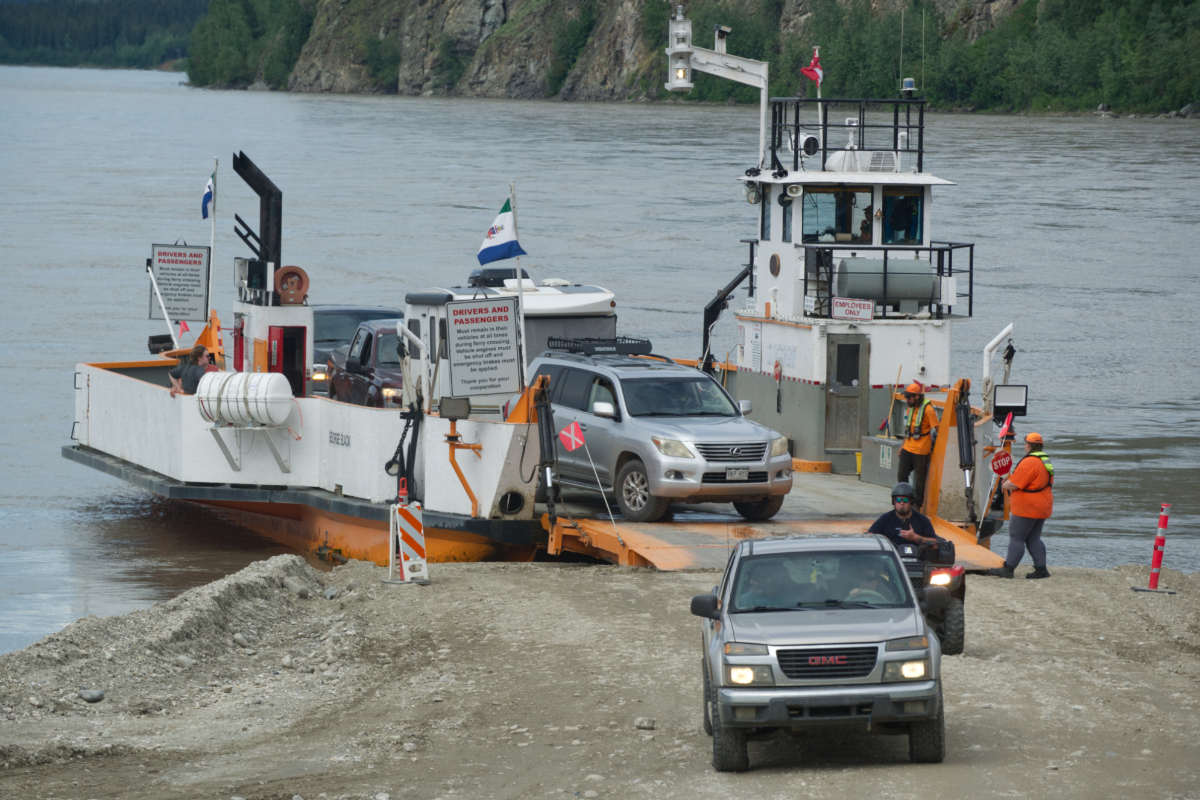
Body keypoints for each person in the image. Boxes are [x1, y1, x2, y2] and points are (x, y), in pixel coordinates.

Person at [988, 432, 1054, 579]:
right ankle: (1041, 570)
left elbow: (1014, 484)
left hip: (1027, 507)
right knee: (1033, 539)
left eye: (1025, 444)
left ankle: (1008, 569)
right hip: (1043, 505)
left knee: (1016, 537)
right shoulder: (1045, 460)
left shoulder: (1030, 462)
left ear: (1028, 446)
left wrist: (1004, 484)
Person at [897, 382, 939, 509]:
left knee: (920, 480)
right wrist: (902, 446)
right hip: (907, 448)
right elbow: (908, 429)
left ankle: (917, 505)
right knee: (901, 474)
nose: (906, 399)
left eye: (908, 397)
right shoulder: (910, 408)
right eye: (905, 397)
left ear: (916, 396)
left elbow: (938, 429)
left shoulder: (929, 410)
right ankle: (904, 499)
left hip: (921, 450)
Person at [868, 482, 941, 548]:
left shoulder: (922, 520)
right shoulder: (885, 518)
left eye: (905, 500)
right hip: (893, 559)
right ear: (894, 501)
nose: (902, 503)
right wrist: (884, 540)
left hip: (917, 558)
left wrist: (915, 537)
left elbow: (935, 545)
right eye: (898, 500)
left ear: (911, 502)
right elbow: (869, 536)